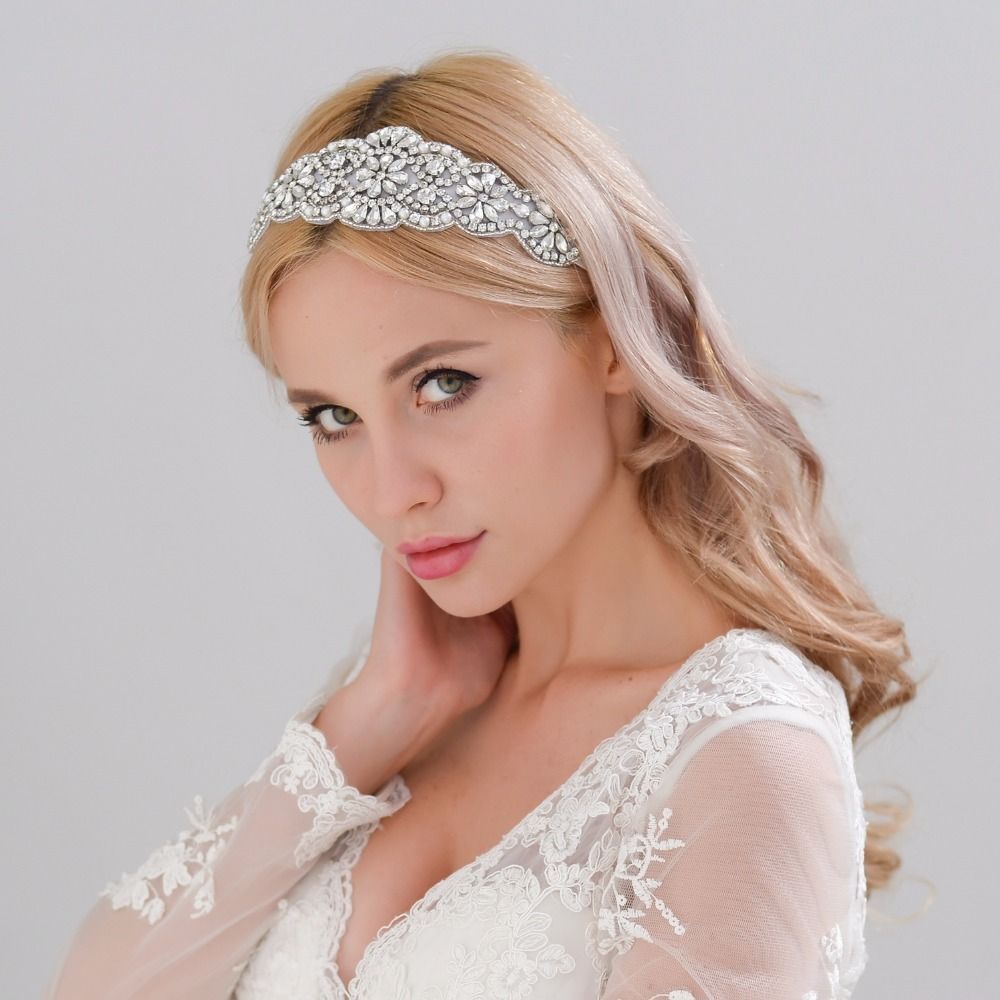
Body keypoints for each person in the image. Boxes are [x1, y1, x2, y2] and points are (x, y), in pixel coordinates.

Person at [43, 47, 920, 1000]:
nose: (393, 491)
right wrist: (368, 720)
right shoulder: (407, 709)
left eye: (442, 384)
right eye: (332, 417)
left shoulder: (745, 753)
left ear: (615, 338)